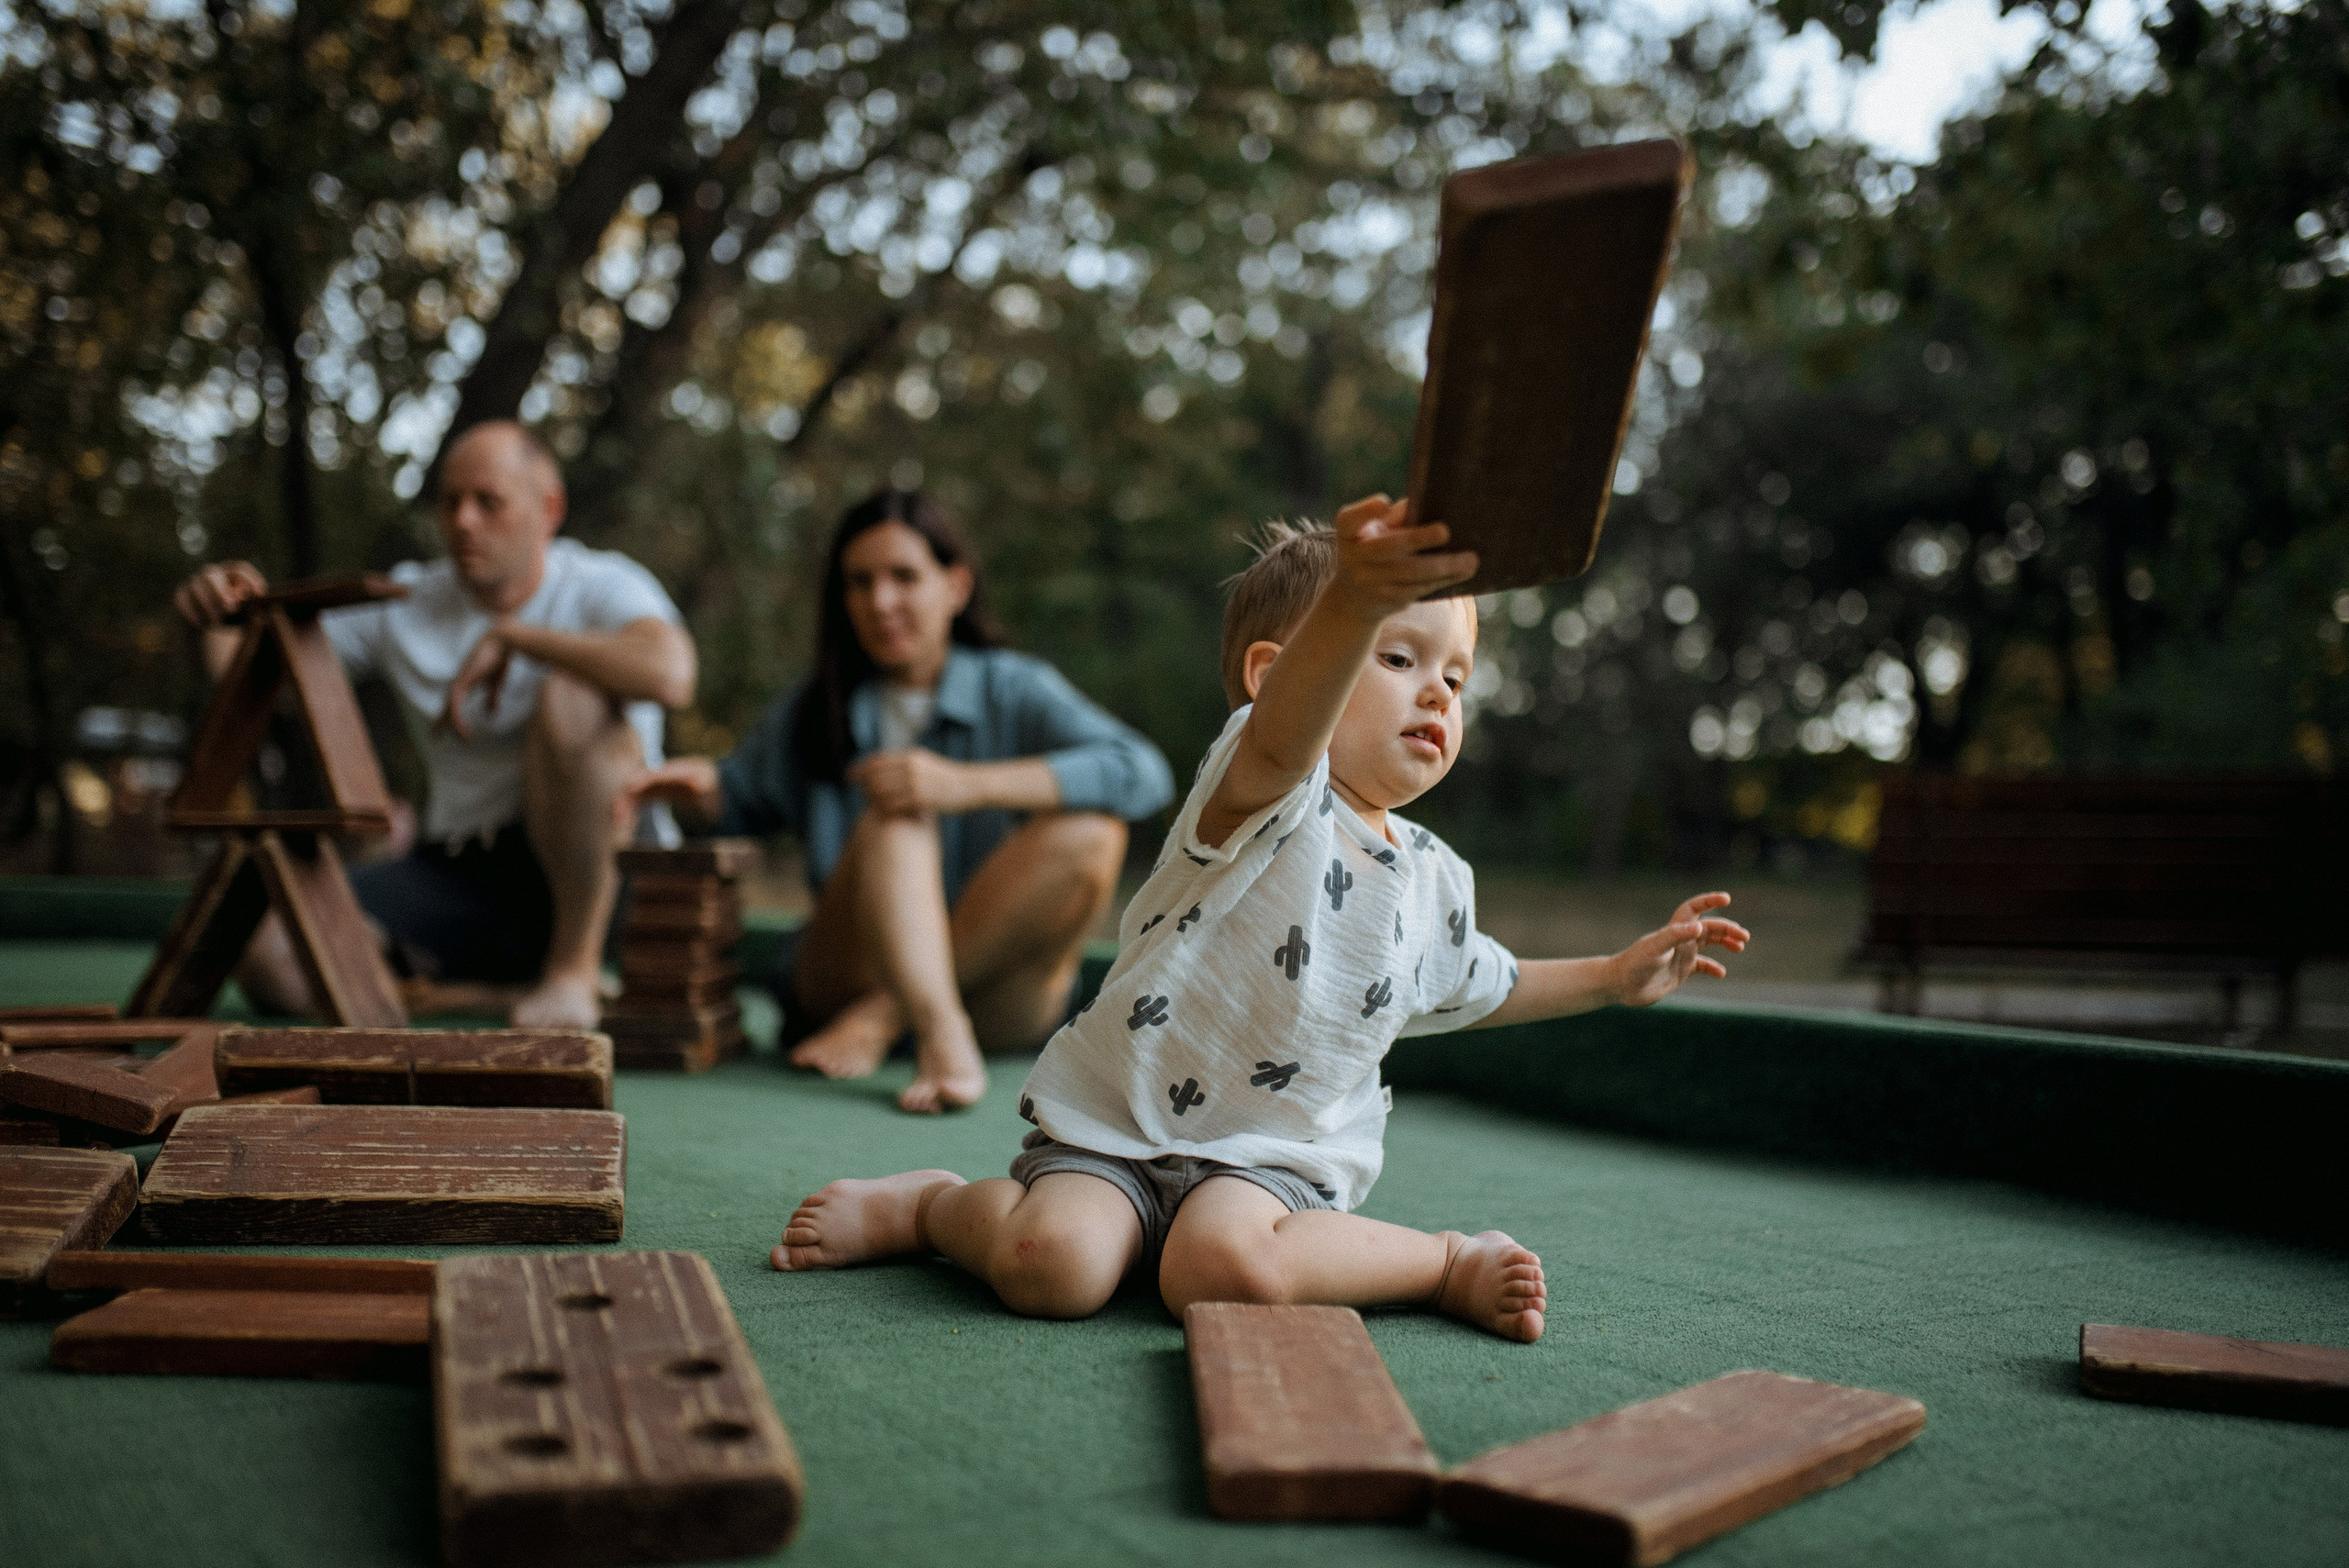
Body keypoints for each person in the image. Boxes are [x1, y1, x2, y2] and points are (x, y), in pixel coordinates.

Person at [764, 496, 1749, 1341]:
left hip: (1268, 1159)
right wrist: (1354, 597)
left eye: (1455, 676)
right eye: (1398, 656)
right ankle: (932, 1206)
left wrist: (1616, 975)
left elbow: (1486, 980)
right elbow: (1288, 735)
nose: (1436, 694)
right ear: (1274, 676)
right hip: (1116, 1127)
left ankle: (1442, 1261)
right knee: (1048, 1268)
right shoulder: (1262, 794)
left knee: (1224, 1275)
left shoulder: (1435, 878)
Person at [619, 489, 1174, 1115]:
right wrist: (699, 792)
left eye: (904, 576)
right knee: (896, 813)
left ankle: (885, 1019)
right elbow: (736, 805)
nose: (880, 601)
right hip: (840, 979)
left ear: (955, 585)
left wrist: (964, 785)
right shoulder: (813, 708)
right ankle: (935, 1028)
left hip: (991, 998)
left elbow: (1142, 770)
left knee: (1094, 831)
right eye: (860, 582)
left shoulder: (1013, 688)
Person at [172, 419, 696, 1029]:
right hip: (462, 870)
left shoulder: (603, 583)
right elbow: (249, 678)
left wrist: (520, 639)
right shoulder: (410, 600)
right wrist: (224, 614)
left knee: (572, 696)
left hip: (604, 872)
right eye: (450, 502)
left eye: (488, 502)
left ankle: (574, 971)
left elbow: (671, 674)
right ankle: (480, 993)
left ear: (548, 509)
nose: (464, 521)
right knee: (263, 947)